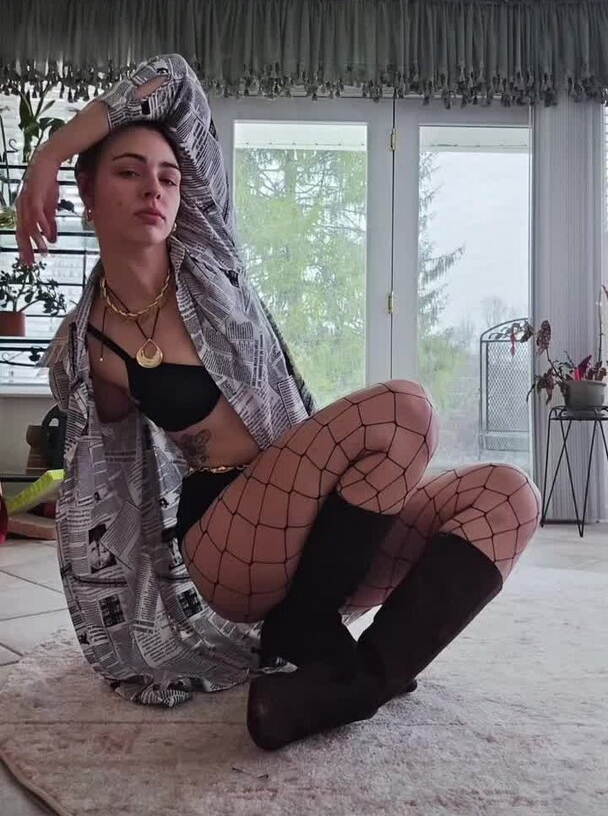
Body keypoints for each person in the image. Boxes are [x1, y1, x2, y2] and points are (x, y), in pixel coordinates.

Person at [16, 53, 541, 751]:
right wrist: (140, 624)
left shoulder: (209, 254)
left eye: (168, 176)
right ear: (86, 190)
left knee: (510, 495)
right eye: (128, 172)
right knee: (403, 410)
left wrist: (50, 149)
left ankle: (346, 685)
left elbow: (174, 80)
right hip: (229, 540)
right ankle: (304, 633)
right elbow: (112, 490)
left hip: (327, 534)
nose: (154, 189)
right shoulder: (86, 349)